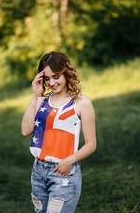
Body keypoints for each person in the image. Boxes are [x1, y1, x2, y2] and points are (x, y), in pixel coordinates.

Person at [21, 51, 96, 213]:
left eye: (56, 77)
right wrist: (34, 96)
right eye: (47, 78)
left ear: (66, 73)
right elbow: (26, 130)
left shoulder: (82, 103)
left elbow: (91, 144)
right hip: (38, 172)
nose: (51, 83)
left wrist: (69, 161)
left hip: (64, 174)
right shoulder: (41, 100)